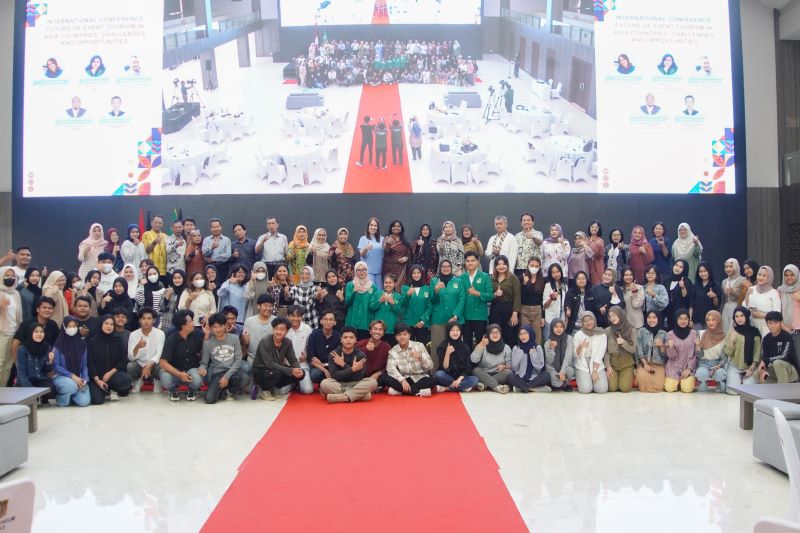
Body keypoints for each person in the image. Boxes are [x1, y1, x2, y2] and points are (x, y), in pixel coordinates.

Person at [252, 317, 305, 401]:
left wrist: (298, 369)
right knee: (276, 373)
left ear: (287, 331)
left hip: (277, 369)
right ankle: (264, 390)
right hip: (261, 369)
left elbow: (293, 360)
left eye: (282, 329)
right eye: (276, 329)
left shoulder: (287, 342)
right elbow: (269, 364)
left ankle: (275, 387)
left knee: (302, 374)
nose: (278, 332)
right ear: (273, 329)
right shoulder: (265, 341)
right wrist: (291, 371)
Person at [319, 327, 377, 403]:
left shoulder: (360, 355)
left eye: (351, 337)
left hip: (356, 383)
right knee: (324, 383)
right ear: (341, 339)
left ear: (355, 340)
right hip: (339, 383)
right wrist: (353, 369)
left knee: (373, 382)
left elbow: (358, 377)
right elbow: (335, 376)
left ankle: (341, 397)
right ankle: (359, 396)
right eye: (345, 337)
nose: (348, 340)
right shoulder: (334, 354)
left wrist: (343, 365)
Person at [158, 309, 205, 401]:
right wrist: (179, 374)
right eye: (190, 321)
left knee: (197, 379)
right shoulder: (171, 339)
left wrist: (206, 336)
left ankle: (192, 390)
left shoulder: (198, 334)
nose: (193, 323)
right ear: (183, 326)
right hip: (175, 370)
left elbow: (204, 351)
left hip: (192, 368)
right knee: (165, 377)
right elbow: (163, 363)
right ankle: (173, 390)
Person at [87, 315, 133, 404]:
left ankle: (112, 390)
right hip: (97, 378)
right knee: (97, 400)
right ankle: (104, 390)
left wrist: (110, 373)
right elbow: (90, 362)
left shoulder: (118, 341)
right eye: (106, 323)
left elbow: (123, 360)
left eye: (111, 324)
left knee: (126, 380)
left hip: (112, 376)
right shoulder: (93, 341)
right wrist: (97, 380)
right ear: (101, 324)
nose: (109, 326)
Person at [381, 323, 435, 396]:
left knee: (433, 380)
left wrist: (421, 357)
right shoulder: (393, 351)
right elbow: (391, 369)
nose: (402, 337)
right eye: (399, 335)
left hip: (420, 378)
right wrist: (402, 380)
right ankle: (418, 391)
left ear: (409, 335)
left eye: (405, 334)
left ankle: (401, 391)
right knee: (384, 377)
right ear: (395, 337)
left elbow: (430, 366)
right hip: (404, 379)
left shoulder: (419, 346)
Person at [52, 317, 91, 407]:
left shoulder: (82, 344)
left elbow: (84, 366)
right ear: (64, 327)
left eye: (74, 326)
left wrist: (85, 379)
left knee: (84, 402)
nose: (72, 328)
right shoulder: (58, 344)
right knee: (71, 386)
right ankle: (61, 400)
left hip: (78, 376)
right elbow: (56, 366)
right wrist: (72, 376)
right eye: (69, 326)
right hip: (61, 376)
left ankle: (71, 395)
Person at [127, 307, 165, 393]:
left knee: (162, 365)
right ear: (139, 320)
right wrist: (137, 347)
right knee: (130, 366)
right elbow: (131, 358)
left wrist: (148, 365)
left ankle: (156, 380)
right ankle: (138, 380)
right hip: (140, 363)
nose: (146, 321)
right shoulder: (133, 334)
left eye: (149, 318)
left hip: (154, 364)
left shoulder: (160, 333)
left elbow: (159, 354)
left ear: (154, 320)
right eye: (143, 318)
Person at [723, 307, 761, 391]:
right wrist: (731, 341)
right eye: (736, 316)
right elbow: (727, 352)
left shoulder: (755, 332)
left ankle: (744, 380)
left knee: (748, 392)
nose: (739, 319)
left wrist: (751, 368)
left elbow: (757, 352)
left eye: (742, 316)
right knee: (732, 392)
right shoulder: (732, 332)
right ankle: (737, 380)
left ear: (746, 316)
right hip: (734, 366)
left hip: (749, 367)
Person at [15, 323, 55, 402]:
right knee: (30, 397)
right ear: (30, 333)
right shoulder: (22, 349)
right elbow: (21, 372)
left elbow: (46, 370)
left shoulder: (47, 347)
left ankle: (41, 397)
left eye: (41, 332)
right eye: (36, 331)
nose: (39, 334)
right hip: (26, 381)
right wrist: (30, 390)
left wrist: (50, 361)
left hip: (40, 380)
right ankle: (34, 395)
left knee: (52, 390)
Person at [461, 251, 493, 347]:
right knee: (466, 343)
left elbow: (490, 296)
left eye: (473, 260)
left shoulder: (485, 277)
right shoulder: (461, 278)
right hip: (465, 317)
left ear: (478, 262)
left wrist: (477, 293)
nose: (470, 263)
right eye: (468, 261)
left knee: (481, 343)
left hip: (480, 317)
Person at [434, 322, 478, 392]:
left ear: (461, 332)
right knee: (439, 374)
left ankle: (448, 388)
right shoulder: (443, 346)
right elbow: (444, 368)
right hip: (447, 376)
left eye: (457, 330)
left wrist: (458, 380)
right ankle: (462, 387)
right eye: (452, 330)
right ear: (448, 332)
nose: (455, 332)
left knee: (474, 379)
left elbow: (467, 367)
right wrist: (447, 353)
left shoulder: (465, 347)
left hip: (460, 377)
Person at [571, 311, 609, 394]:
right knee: (586, 389)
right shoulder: (578, 334)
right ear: (582, 323)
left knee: (602, 389)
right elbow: (575, 355)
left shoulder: (602, 334)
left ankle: (591, 380)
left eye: (590, 319)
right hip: (582, 362)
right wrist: (581, 346)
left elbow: (600, 354)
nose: (588, 322)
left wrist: (595, 370)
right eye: (585, 321)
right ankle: (586, 379)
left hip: (596, 363)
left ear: (594, 320)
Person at [758, 311, 799, 383]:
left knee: (777, 363)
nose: (773, 326)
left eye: (776, 323)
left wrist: (766, 360)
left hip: (790, 371)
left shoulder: (787, 337)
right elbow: (765, 357)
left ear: (780, 323)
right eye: (770, 323)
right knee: (759, 373)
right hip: (776, 371)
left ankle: (783, 389)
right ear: (767, 324)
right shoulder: (766, 339)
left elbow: (784, 356)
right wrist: (762, 370)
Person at [470, 324, 512, 393]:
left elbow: (509, 365)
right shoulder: (483, 345)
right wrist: (481, 344)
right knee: (476, 370)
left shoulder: (506, 347)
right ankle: (497, 387)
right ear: (488, 334)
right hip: (484, 374)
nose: (495, 334)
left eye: (497, 332)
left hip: (499, 374)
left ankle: (486, 384)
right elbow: (473, 360)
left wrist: (504, 366)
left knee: (509, 372)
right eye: (492, 332)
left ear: (500, 334)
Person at [489, 255, 521, 347]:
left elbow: (517, 296)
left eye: (503, 264)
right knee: (495, 333)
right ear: (495, 266)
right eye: (498, 264)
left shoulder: (513, 278)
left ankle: (509, 355)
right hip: (495, 309)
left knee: (509, 335)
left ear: (507, 265)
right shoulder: (491, 279)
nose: (501, 266)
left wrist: (515, 314)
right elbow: (487, 295)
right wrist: (495, 294)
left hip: (509, 310)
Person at [509, 325, 552, 392]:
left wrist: (533, 354)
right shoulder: (516, 348)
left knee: (547, 376)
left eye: (525, 333)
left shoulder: (538, 347)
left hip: (534, 378)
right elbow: (514, 369)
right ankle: (533, 388)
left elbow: (539, 368)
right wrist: (519, 354)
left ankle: (523, 387)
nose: (523, 336)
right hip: (521, 377)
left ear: (530, 334)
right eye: (521, 334)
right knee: (510, 377)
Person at [605, 306, 637, 392]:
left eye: (614, 315)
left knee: (625, 388)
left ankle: (624, 378)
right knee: (612, 388)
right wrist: (608, 367)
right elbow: (606, 352)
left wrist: (623, 343)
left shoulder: (631, 329)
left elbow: (634, 349)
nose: (612, 318)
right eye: (610, 316)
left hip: (627, 364)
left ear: (620, 315)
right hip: (613, 365)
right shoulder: (608, 330)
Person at [665, 309, 698, 393]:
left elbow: (696, 354)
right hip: (674, 367)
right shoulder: (670, 334)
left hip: (688, 367)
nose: (683, 321)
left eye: (686, 318)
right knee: (669, 388)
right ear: (676, 319)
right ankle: (678, 381)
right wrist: (671, 347)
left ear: (689, 320)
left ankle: (682, 382)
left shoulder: (694, 334)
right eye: (680, 318)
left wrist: (689, 369)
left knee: (687, 389)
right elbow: (671, 356)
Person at [635, 311, 668, 392]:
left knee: (659, 387)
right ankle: (639, 373)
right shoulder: (641, 331)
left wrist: (662, 346)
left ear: (658, 319)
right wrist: (645, 364)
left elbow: (665, 356)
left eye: (654, 317)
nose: (651, 320)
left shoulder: (664, 333)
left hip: (658, 365)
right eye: (649, 317)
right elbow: (639, 350)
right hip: (645, 364)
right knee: (642, 379)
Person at [306, 311, 341, 386]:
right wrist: (324, 370)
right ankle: (323, 384)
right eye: (325, 319)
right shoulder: (313, 335)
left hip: (333, 365)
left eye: (331, 320)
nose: (328, 322)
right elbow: (310, 357)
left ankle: (330, 384)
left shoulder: (338, 336)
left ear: (335, 322)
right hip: (318, 367)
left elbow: (339, 357)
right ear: (321, 321)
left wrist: (324, 364)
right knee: (315, 374)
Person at [745, 266, 781, 336]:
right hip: (752, 325)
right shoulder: (751, 289)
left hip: (767, 328)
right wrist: (747, 295)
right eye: (759, 274)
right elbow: (745, 307)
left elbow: (777, 314)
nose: (760, 278)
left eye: (764, 276)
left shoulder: (774, 293)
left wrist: (761, 315)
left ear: (769, 277)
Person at [242, 294, 275, 365]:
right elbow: (246, 342)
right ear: (258, 306)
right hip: (252, 359)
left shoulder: (276, 320)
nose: (268, 308)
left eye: (270, 306)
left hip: (271, 360)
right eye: (265, 306)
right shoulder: (249, 321)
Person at [369, 275, 404, 342]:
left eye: (390, 283)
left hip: (391, 328)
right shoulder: (377, 293)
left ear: (395, 284)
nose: (388, 285)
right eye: (386, 282)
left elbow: (400, 312)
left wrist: (393, 303)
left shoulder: (398, 296)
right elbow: (371, 307)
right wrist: (379, 301)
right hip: (378, 329)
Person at [689, 261, 720, 329]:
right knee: (698, 335)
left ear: (709, 271)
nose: (703, 273)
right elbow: (691, 305)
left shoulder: (715, 285)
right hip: (697, 320)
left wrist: (714, 296)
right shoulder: (695, 286)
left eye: (705, 271)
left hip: (711, 319)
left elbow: (717, 305)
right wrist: (690, 320)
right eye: (700, 271)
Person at [545, 318, 574, 390]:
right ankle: (558, 381)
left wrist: (562, 371)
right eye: (556, 327)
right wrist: (552, 349)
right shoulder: (548, 343)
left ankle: (564, 382)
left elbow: (568, 356)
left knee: (570, 371)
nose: (558, 329)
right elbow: (549, 362)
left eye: (561, 327)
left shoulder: (569, 339)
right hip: (552, 368)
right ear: (552, 328)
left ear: (564, 328)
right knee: (557, 384)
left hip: (563, 367)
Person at [382, 220, 411, 286]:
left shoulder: (404, 240)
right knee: (390, 286)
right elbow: (385, 251)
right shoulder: (387, 238)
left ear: (401, 228)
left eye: (398, 226)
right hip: (389, 268)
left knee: (400, 287)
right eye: (394, 226)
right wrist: (388, 244)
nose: (396, 228)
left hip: (401, 269)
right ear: (391, 228)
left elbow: (409, 253)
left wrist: (405, 258)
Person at [665, 260, 692, 331]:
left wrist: (682, 287)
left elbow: (686, 298)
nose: (677, 268)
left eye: (681, 267)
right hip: (669, 314)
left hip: (681, 314)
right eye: (676, 265)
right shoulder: (667, 280)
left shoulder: (686, 281)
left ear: (684, 269)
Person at [542, 264, 566, 341]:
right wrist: (551, 299)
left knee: (559, 341)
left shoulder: (565, 285)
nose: (556, 274)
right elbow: (544, 306)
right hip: (550, 318)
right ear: (550, 274)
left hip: (561, 317)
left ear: (561, 272)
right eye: (553, 273)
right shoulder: (548, 285)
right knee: (548, 340)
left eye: (557, 271)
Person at [721, 258, 746, 332]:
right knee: (725, 329)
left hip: (737, 307)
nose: (728, 269)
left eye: (731, 267)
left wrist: (733, 291)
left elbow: (743, 297)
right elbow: (723, 298)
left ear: (736, 267)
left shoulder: (742, 280)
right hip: (726, 308)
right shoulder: (724, 282)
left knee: (735, 330)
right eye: (726, 267)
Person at [358, 218, 384, 287]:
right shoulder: (363, 239)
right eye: (371, 225)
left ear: (377, 228)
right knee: (370, 291)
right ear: (368, 227)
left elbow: (386, 252)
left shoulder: (382, 239)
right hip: (368, 271)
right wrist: (365, 249)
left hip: (380, 271)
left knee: (380, 292)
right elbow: (362, 254)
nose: (373, 227)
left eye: (375, 226)